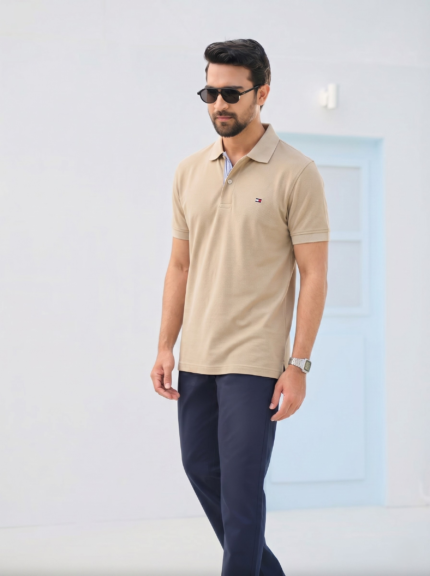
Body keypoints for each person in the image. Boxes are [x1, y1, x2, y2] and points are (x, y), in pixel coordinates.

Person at [150, 38, 330, 576]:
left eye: (232, 93)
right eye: (210, 93)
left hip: (255, 360)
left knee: (243, 489)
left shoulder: (297, 172)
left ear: (262, 93)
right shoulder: (189, 171)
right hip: (198, 355)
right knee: (201, 468)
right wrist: (165, 345)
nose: (219, 104)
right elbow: (179, 265)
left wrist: (298, 365)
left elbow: (314, 273)